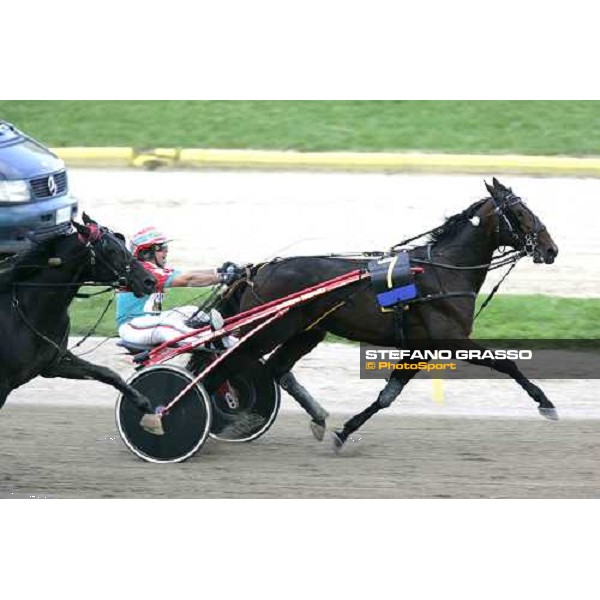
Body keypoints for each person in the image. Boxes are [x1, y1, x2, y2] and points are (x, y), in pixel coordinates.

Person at [116, 226, 242, 347]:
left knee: (191, 311)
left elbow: (188, 273)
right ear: (146, 252)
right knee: (170, 326)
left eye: (165, 246)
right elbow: (188, 279)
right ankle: (229, 344)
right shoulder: (143, 271)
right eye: (161, 247)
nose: (166, 250)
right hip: (132, 326)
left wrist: (220, 271)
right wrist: (223, 277)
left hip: (147, 322)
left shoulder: (153, 270)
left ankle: (226, 333)